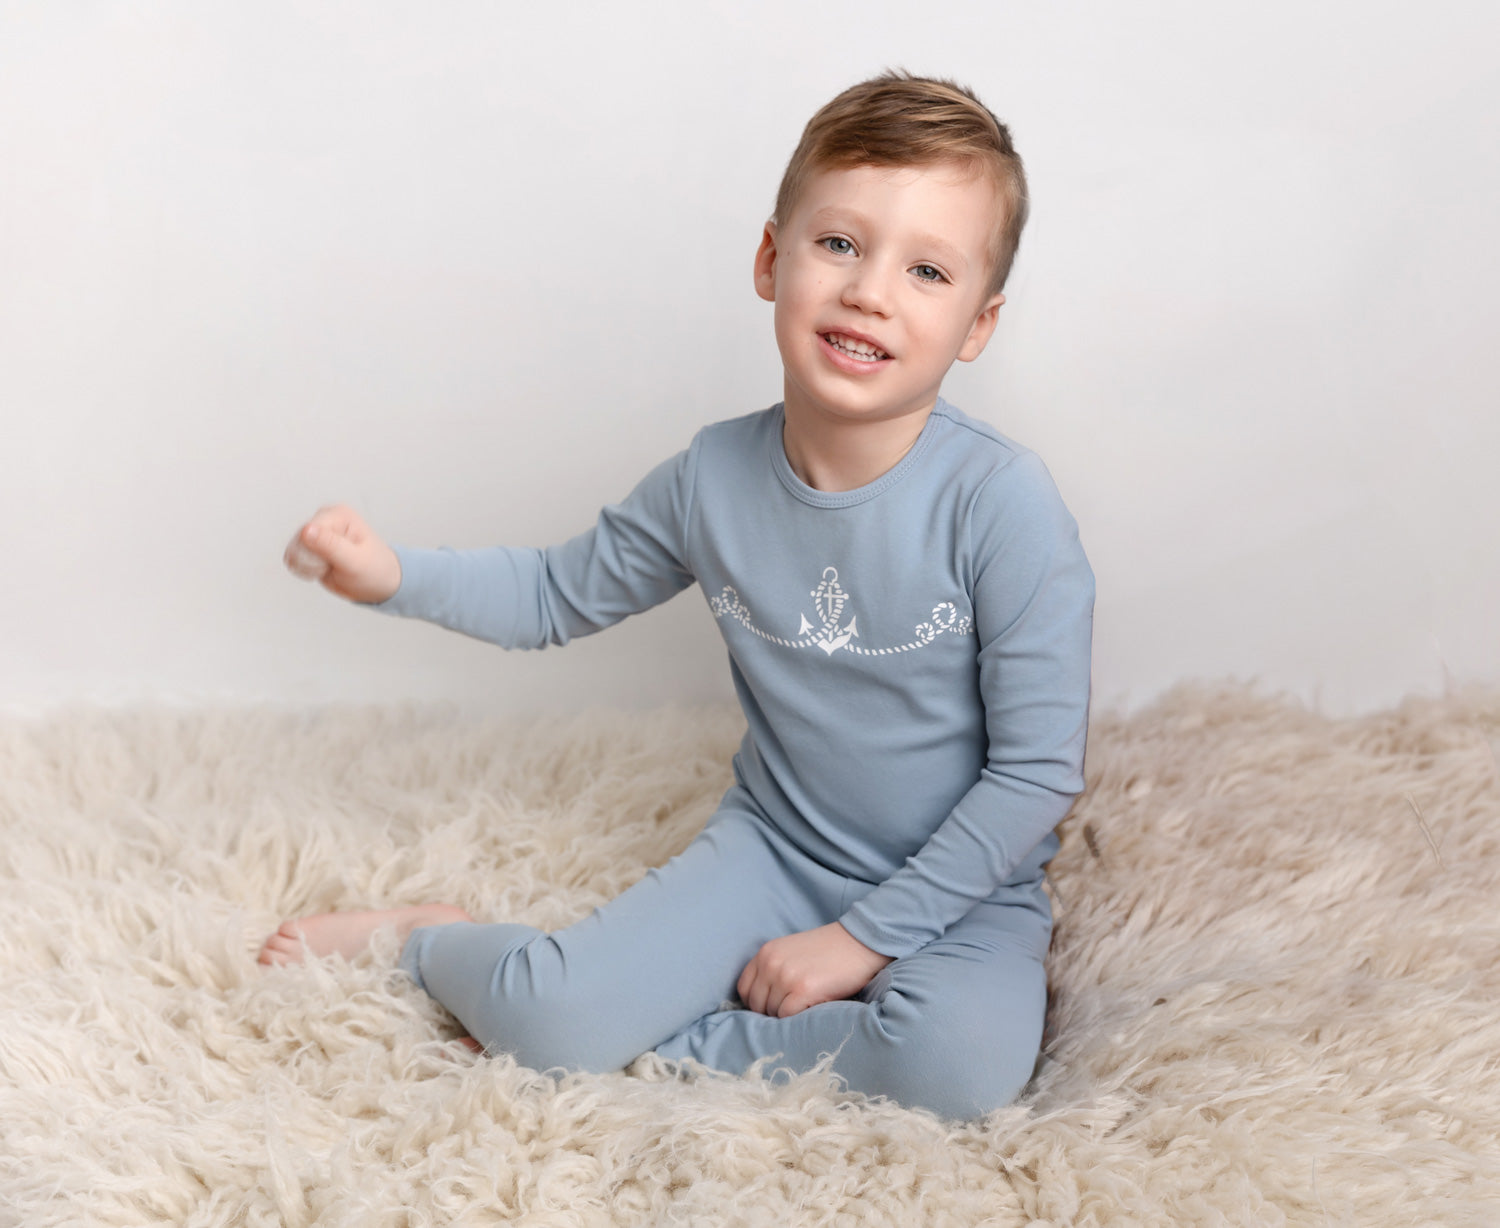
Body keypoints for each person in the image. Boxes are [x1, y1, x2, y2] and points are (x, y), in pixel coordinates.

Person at [259, 69, 1094, 1121]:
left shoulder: (1001, 503)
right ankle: (431, 939)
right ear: (769, 258)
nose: (870, 290)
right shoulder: (715, 478)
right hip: (780, 851)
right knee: (551, 1019)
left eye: (928, 270)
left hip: (971, 889)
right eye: (839, 243)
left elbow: (1034, 773)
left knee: (953, 1071)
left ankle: (654, 1039)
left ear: (978, 323)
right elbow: (558, 592)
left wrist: (861, 943)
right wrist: (395, 576)